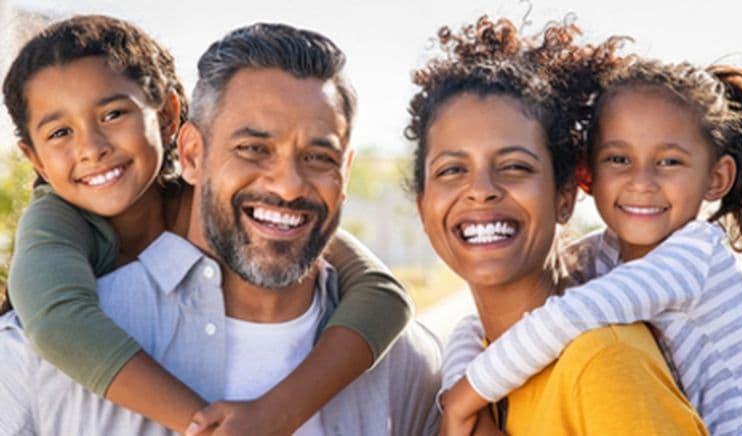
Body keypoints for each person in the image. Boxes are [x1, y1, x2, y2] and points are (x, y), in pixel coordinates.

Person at [0, 20, 440, 436]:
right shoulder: (52, 241)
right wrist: (203, 424)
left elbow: (381, 291)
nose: (92, 148)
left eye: (318, 157)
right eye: (252, 148)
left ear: (169, 119)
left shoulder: (405, 365)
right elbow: (55, 320)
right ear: (193, 154)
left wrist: (274, 414)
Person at [439, 33, 742, 436]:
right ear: (587, 174)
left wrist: (463, 400)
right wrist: (457, 392)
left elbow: (564, 318)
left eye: (669, 161)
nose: (641, 181)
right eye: (619, 159)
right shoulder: (603, 255)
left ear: (717, 178)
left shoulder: (695, 257)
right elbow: (474, 328)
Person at [408, 16, 706, 435]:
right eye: (452, 169)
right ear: (423, 208)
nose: (480, 190)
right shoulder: (469, 366)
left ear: (564, 196)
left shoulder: (603, 361)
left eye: (514, 166)